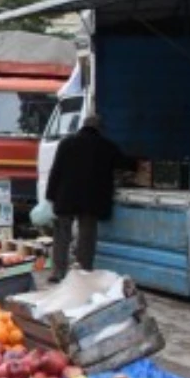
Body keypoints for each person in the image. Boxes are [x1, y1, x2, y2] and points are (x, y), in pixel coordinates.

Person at [46, 114, 123, 283]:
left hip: (65, 197)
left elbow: (56, 170)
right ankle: (84, 270)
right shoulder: (107, 146)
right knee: (87, 235)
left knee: (61, 234)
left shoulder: (66, 143)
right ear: (99, 129)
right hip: (91, 199)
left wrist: (50, 195)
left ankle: (58, 271)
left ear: (83, 126)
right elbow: (124, 164)